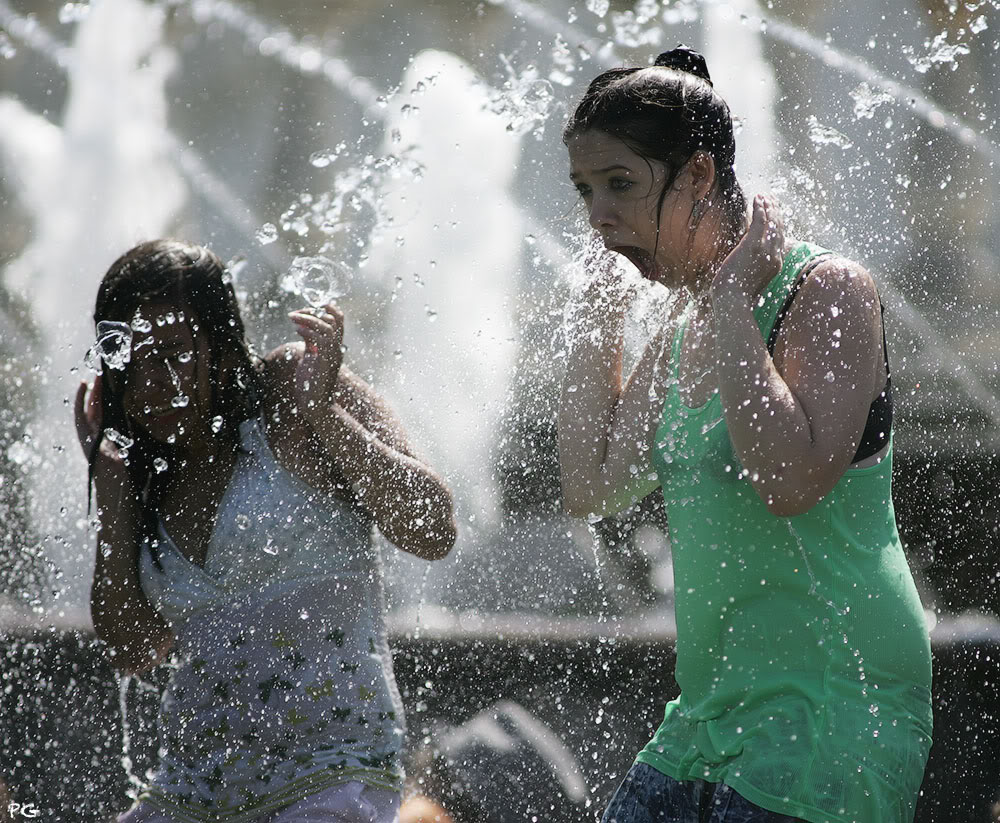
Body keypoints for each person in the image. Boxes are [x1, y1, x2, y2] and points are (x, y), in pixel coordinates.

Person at [557, 46, 932, 823]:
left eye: (620, 184)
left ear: (697, 176)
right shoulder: (679, 333)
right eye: (585, 191)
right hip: (708, 713)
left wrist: (730, 301)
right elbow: (591, 485)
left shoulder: (824, 291)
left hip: (834, 704)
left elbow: (788, 481)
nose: (598, 214)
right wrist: (596, 314)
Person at [74, 239, 457, 823]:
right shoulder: (143, 468)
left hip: (333, 775)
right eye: (130, 358)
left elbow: (433, 528)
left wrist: (324, 414)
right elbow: (132, 649)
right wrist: (115, 501)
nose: (152, 382)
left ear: (223, 344)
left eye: (174, 353)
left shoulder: (290, 391)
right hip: (190, 792)